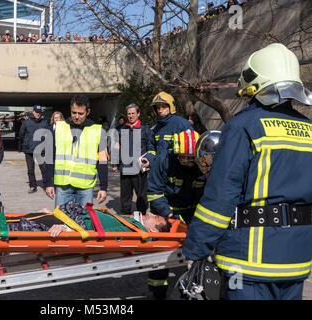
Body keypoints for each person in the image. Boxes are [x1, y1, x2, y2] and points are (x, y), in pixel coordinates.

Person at [182, 43, 312, 300]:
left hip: (250, 263)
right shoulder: (309, 129)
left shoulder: (244, 126)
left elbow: (220, 198)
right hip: (296, 263)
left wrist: (196, 247)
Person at [145, 129, 206, 299]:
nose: (188, 162)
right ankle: (157, 292)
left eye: (191, 158)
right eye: (184, 157)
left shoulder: (202, 161)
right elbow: (154, 193)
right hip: (166, 212)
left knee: (200, 252)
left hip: (193, 211)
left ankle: (197, 285)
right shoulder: (163, 160)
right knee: (161, 254)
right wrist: (170, 215)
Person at [0, 201, 171, 235]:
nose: (152, 214)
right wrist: (56, 213)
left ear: (155, 230)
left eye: (155, 218)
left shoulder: (136, 231)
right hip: (64, 217)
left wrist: (67, 230)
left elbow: (101, 236)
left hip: (68, 224)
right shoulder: (131, 222)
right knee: (2, 222)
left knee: (3, 227)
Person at [45, 95, 108, 207]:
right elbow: (50, 156)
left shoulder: (98, 131)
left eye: (80, 113)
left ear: (88, 112)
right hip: (63, 185)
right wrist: (49, 183)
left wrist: (103, 187)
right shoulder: (59, 128)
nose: (77, 116)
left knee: (84, 222)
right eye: (74, 112)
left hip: (85, 187)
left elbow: (102, 161)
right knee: (61, 221)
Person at [112, 104, 152, 215]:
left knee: (141, 196)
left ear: (138, 114)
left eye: (133, 113)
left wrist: (149, 162)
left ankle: (142, 216)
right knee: (125, 196)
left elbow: (151, 148)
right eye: (129, 114)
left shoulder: (145, 130)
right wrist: (115, 163)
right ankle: (126, 218)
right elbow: (117, 147)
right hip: (125, 168)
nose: (131, 116)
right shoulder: (121, 130)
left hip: (139, 169)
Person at [141, 91, 193, 170]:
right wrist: (148, 159)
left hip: (177, 170)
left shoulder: (182, 124)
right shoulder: (155, 127)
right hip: (159, 171)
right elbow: (152, 149)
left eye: (163, 107)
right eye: (158, 108)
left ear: (171, 107)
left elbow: (191, 148)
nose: (160, 110)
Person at [19, 105, 49, 193]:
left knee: (44, 169)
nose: (38, 114)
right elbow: (21, 134)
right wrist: (26, 143)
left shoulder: (44, 122)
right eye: (36, 112)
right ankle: (33, 186)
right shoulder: (26, 122)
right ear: (33, 112)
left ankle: (46, 185)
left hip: (40, 150)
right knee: (30, 169)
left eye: (39, 112)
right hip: (29, 150)